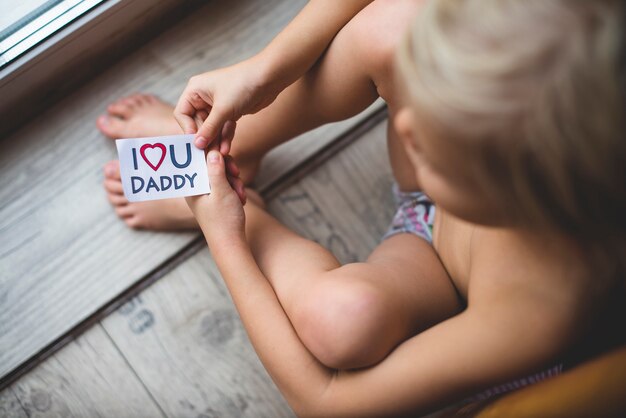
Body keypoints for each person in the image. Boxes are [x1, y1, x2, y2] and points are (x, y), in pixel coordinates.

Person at [183, 0, 624, 416]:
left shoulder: (536, 312)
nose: (402, 125)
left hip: (441, 271)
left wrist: (225, 236)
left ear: (515, 205)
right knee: (394, 27)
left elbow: (325, 402)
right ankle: (237, 141)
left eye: (433, 153)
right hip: (472, 200)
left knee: (342, 321)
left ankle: (238, 205)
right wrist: (269, 68)